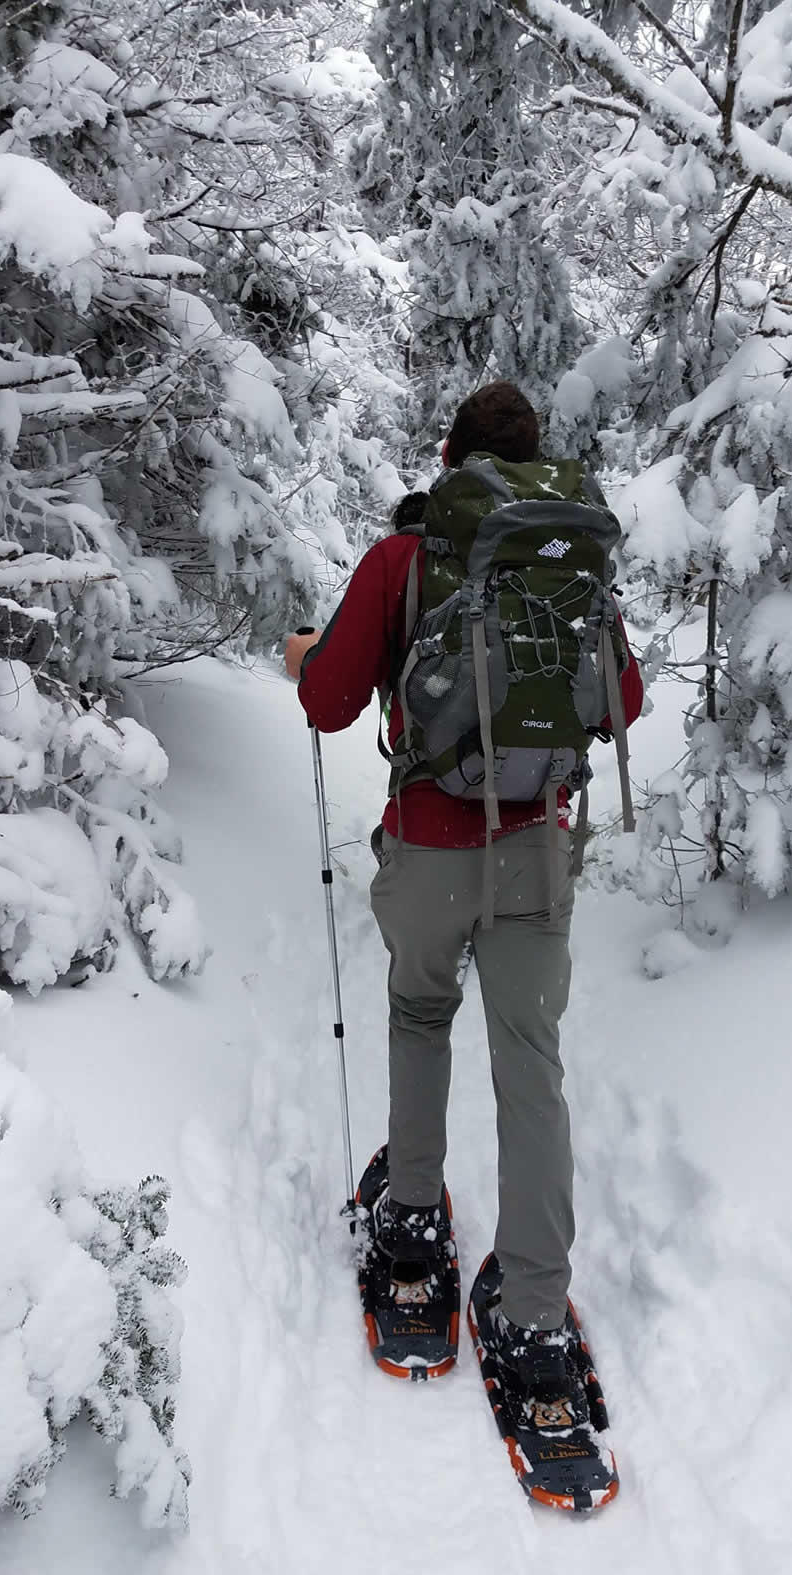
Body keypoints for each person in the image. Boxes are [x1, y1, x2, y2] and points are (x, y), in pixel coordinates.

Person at [285, 381, 642, 1404]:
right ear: (537, 461)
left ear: (447, 458)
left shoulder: (404, 558)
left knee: (419, 1013)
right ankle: (533, 1312)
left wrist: (312, 655)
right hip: (536, 849)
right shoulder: (567, 570)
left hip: (431, 846)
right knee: (533, 1066)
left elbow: (329, 701)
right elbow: (623, 698)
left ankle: (409, 1223)